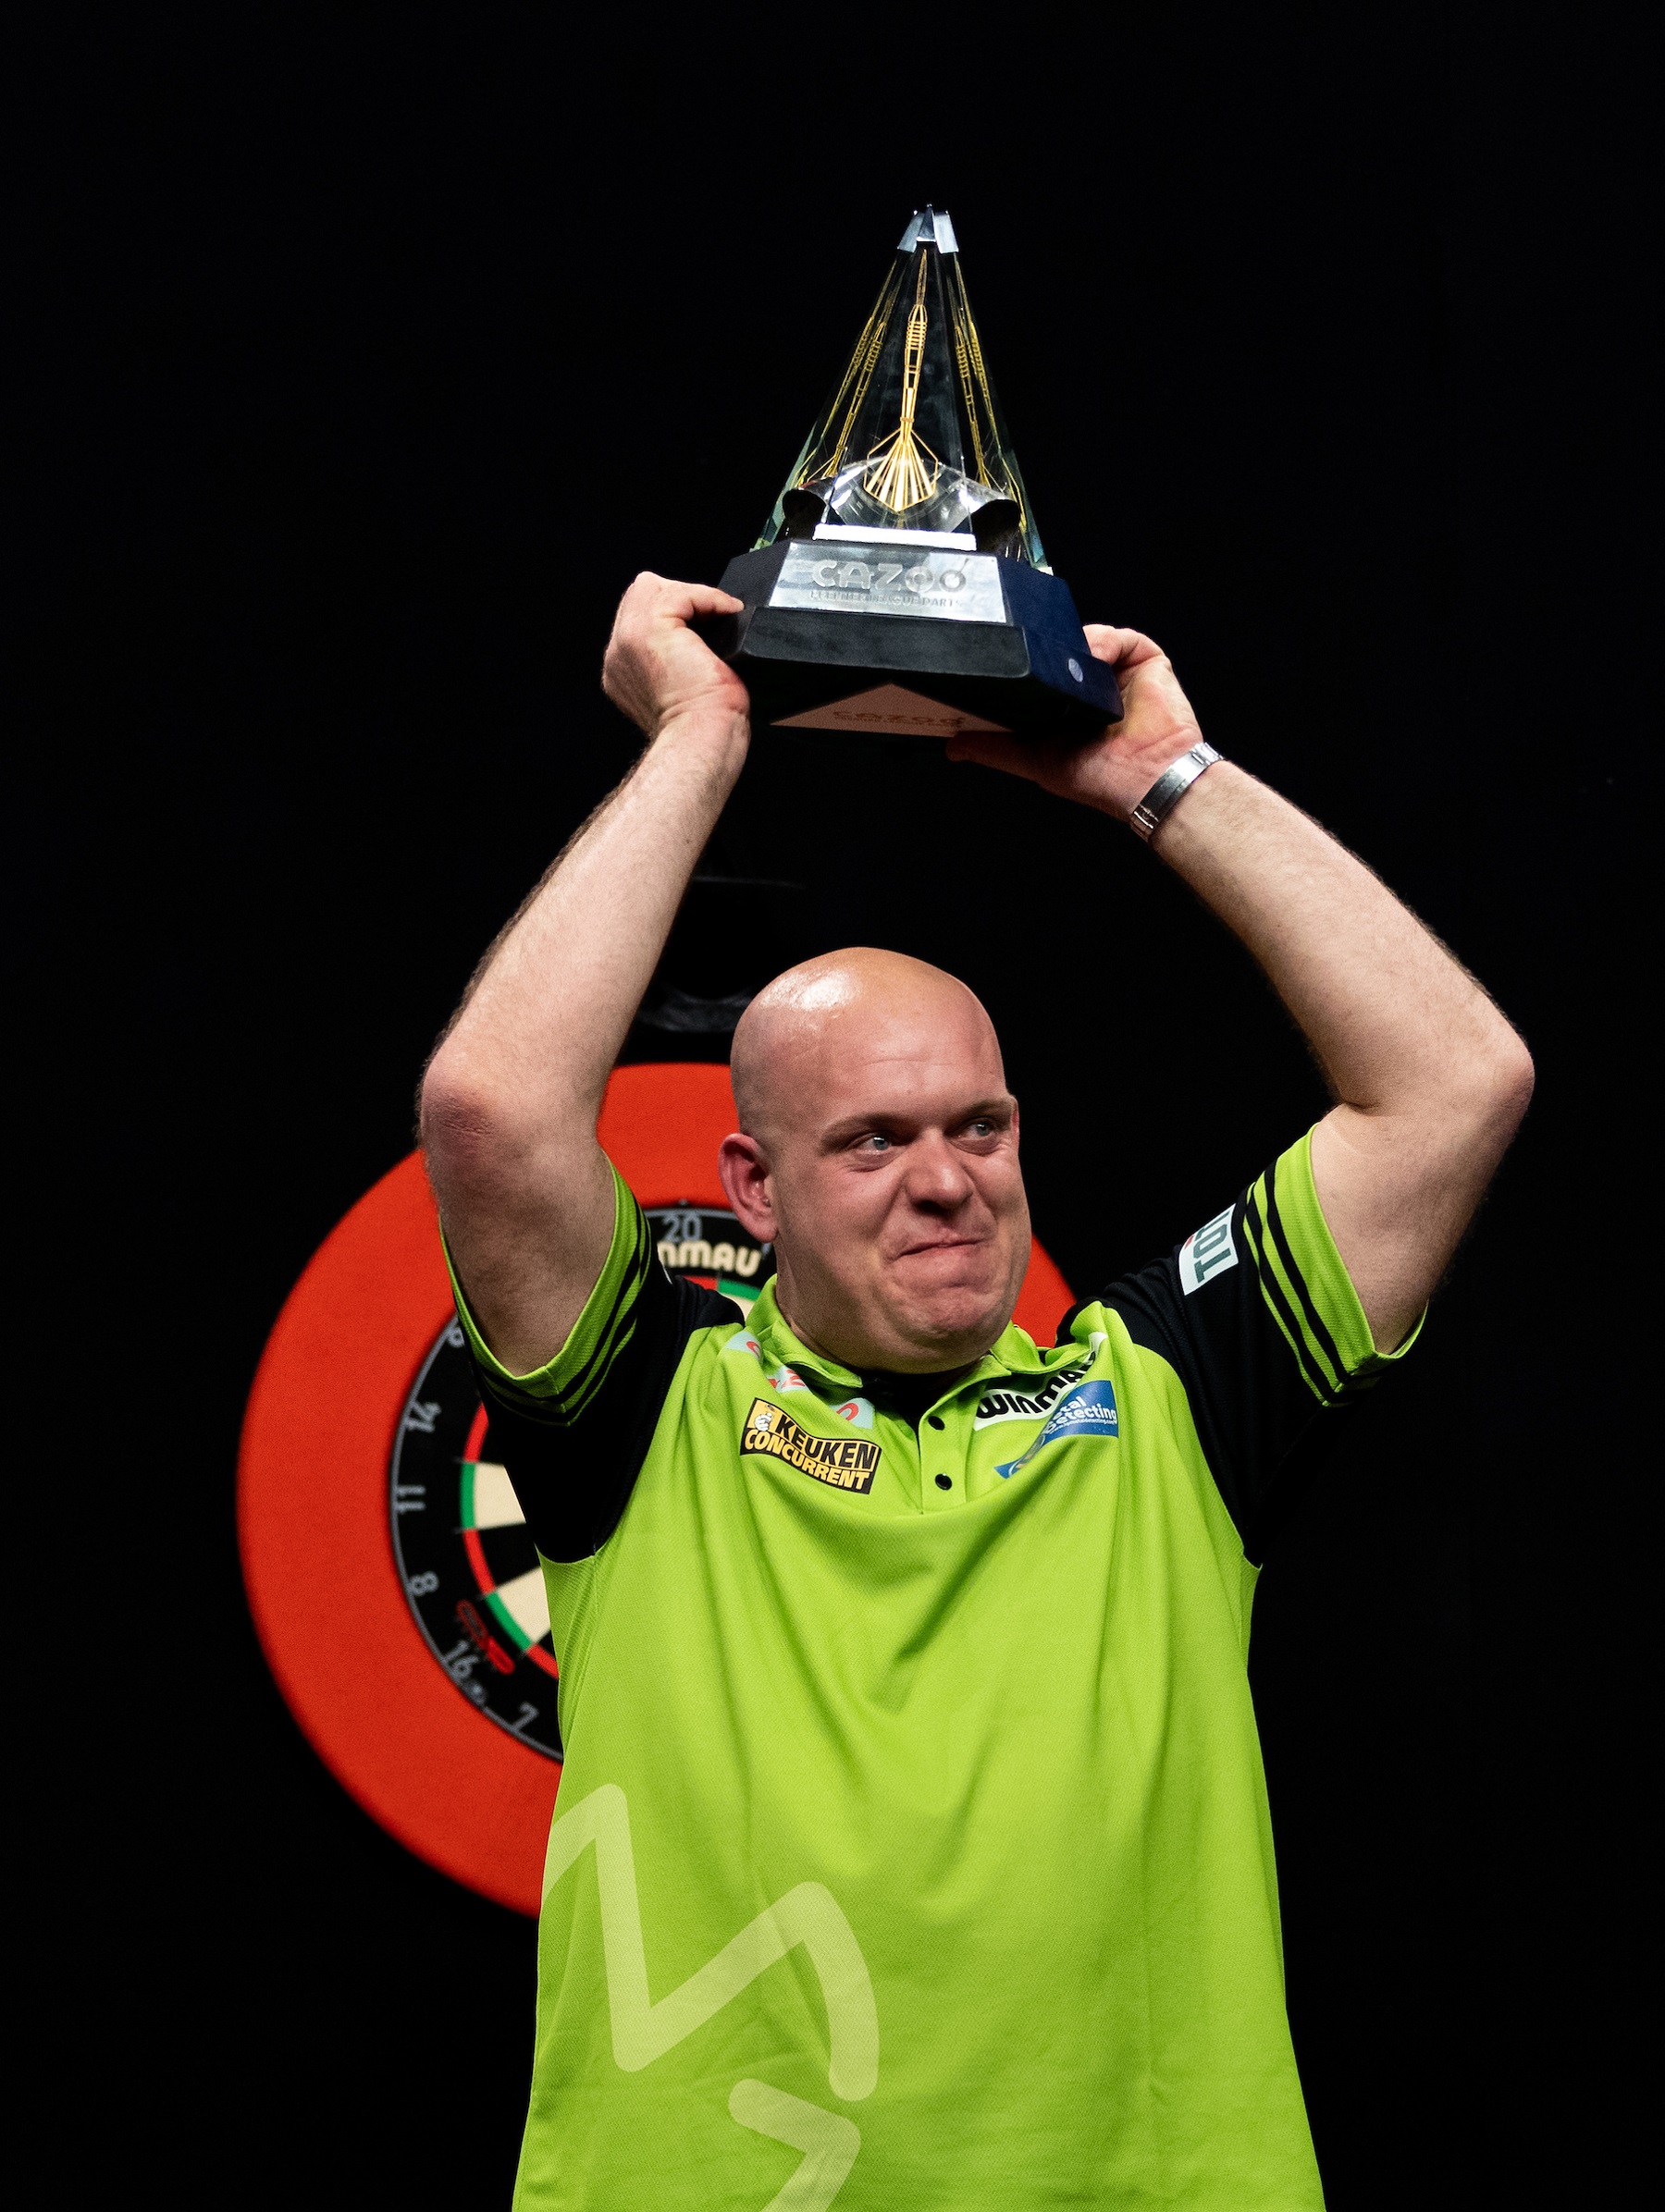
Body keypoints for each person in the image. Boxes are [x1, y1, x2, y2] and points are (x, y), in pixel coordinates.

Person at [419, 574, 1532, 2211]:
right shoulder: (655, 1415)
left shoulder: (1165, 1406)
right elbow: (494, 1117)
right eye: (872, 1141)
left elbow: (1453, 1086)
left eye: (980, 1127)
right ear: (753, 1188)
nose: (946, 1181)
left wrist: (1163, 778)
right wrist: (698, 738)